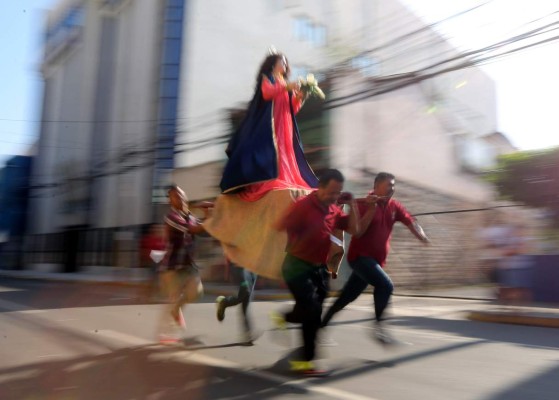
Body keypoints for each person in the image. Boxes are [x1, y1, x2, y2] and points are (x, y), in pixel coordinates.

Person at [204, 51, 321, 282]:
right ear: (272, 64)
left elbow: (293, 107)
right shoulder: (269, 81)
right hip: (271, 129)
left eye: (286, 62)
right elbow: (268, 93)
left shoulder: (286, 84)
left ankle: (287, 178)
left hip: (285, 127)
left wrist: (302, 94)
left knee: (289, 156)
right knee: (275, 157)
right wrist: (290, 86)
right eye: (281, 61)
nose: (285, 64)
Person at [321, 172, 430, 345]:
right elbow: (359, 231)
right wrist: (371, 208)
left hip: (375, 262)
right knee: (385, 285)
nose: (392, 188)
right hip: (360, 258)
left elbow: (411, 221)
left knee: (346, 297)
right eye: (388, 185)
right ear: (377, 185)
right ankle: (379, 329)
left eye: (393, 185)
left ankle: (320, 327)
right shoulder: (364, 204)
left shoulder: (395, 207)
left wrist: (422, 236)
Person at [274, 168, 359, 376]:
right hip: (296, 266)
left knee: (314, 314)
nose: (334, 196)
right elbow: (279, 227)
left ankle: (286, 320)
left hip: (319, 269)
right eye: (331, 192)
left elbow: (355, 230)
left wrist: (353, 204)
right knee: (311, 310)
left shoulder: (334, 210)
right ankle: (304, 362)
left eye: (338, 192)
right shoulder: (302, 206)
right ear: (320, 188)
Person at [157, 185, 210, 344]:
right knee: (173, 301)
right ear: (171, 201)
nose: (178, 197)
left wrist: (208, 211)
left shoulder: (191, 216)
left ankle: (175, 311)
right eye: (174, 196)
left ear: (185, 195)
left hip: (188, 265)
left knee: (197, 292)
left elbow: (204, 229)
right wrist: (210, 213)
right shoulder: (171, 217)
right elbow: (194, 229)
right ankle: (166, 333)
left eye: (180, 194)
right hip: (172, 268)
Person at [215, 261, 258, 344]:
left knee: (246, 301)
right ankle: (224, 303)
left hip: (253, 268)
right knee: (245, 292)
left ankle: (248, 334)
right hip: (239, 266)